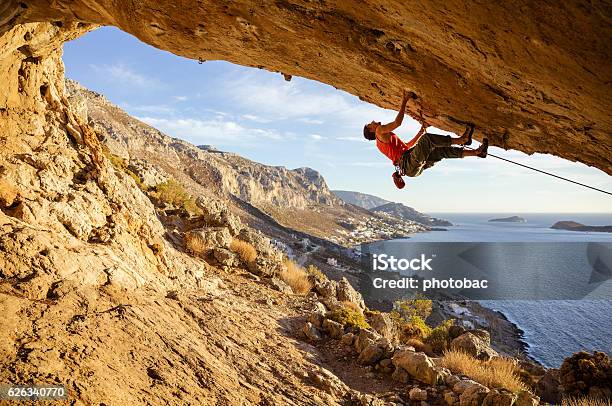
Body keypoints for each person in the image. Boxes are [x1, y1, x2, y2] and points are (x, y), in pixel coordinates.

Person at [363, 90, 488, 187]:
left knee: (440, 151)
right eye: (370, 124)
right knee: (427, 139)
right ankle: (462, 140)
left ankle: (477, 152)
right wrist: (404, 100)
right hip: (408, 163)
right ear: (371, 130)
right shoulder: (379, 131)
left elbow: (407, 146)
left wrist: (420, 131)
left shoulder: (381, 143)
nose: (373, 121)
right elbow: (397, 123)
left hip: (410, 167)